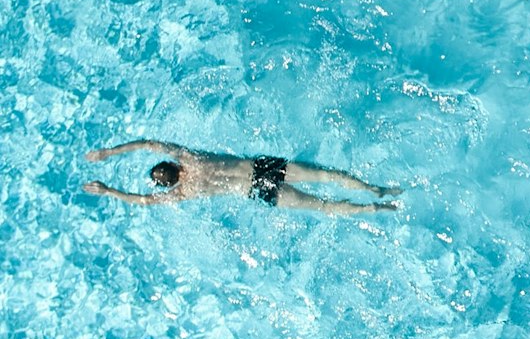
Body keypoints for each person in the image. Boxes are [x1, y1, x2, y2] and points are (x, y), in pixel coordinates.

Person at [82, 140, 400, 216]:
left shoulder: (184, 192)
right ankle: (376, 189)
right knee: (325, 176)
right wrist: (108, 153)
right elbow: (146, 143)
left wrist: (109, 190)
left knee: (323, 207)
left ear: (171, 182)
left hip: (256, 191)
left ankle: (375, 210)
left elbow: (144, 201)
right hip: (261, 169)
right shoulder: (189, 157)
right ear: (171, 161)